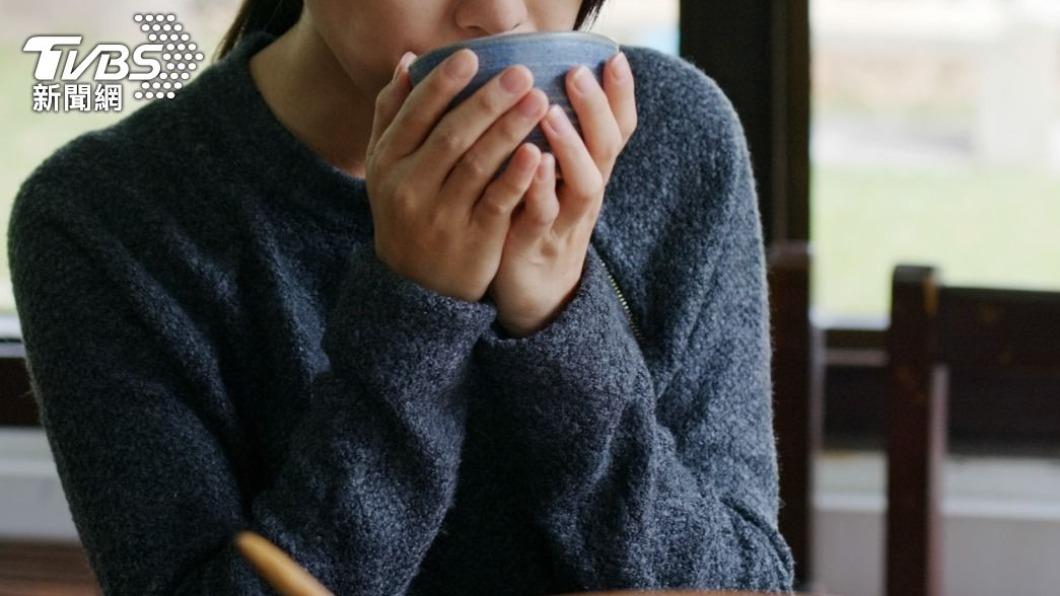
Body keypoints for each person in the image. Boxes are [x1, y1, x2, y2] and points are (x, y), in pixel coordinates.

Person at [7, 0, 796, 594]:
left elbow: (741, 581)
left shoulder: (671, 136)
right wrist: (416, 308)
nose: (499, 14)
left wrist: (560, 315)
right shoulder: (103, 220)